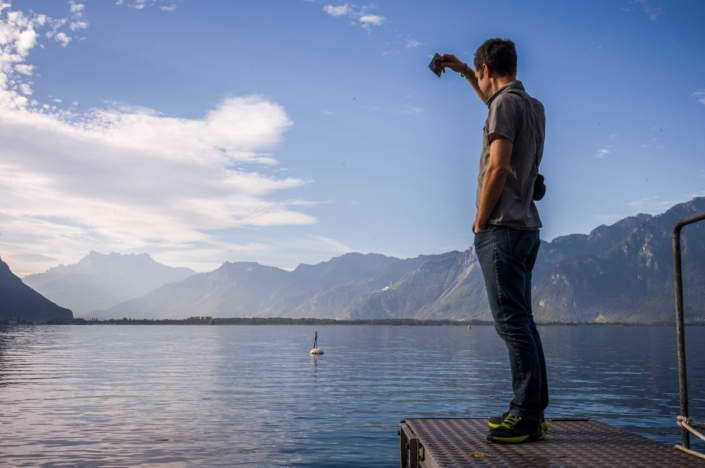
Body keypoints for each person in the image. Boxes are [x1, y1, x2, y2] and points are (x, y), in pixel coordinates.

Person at [440, 39, 549, 444]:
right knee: (524, 323)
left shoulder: (503, 107)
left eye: (478, 73)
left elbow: (498, 167)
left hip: (501, 227)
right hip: (528, 229)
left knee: (511, 325)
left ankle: (524, 415)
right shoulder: (533, 107)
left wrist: (479, 221)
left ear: (488, 69)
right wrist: (466, 74)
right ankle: (533, 411)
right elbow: (494, 101)